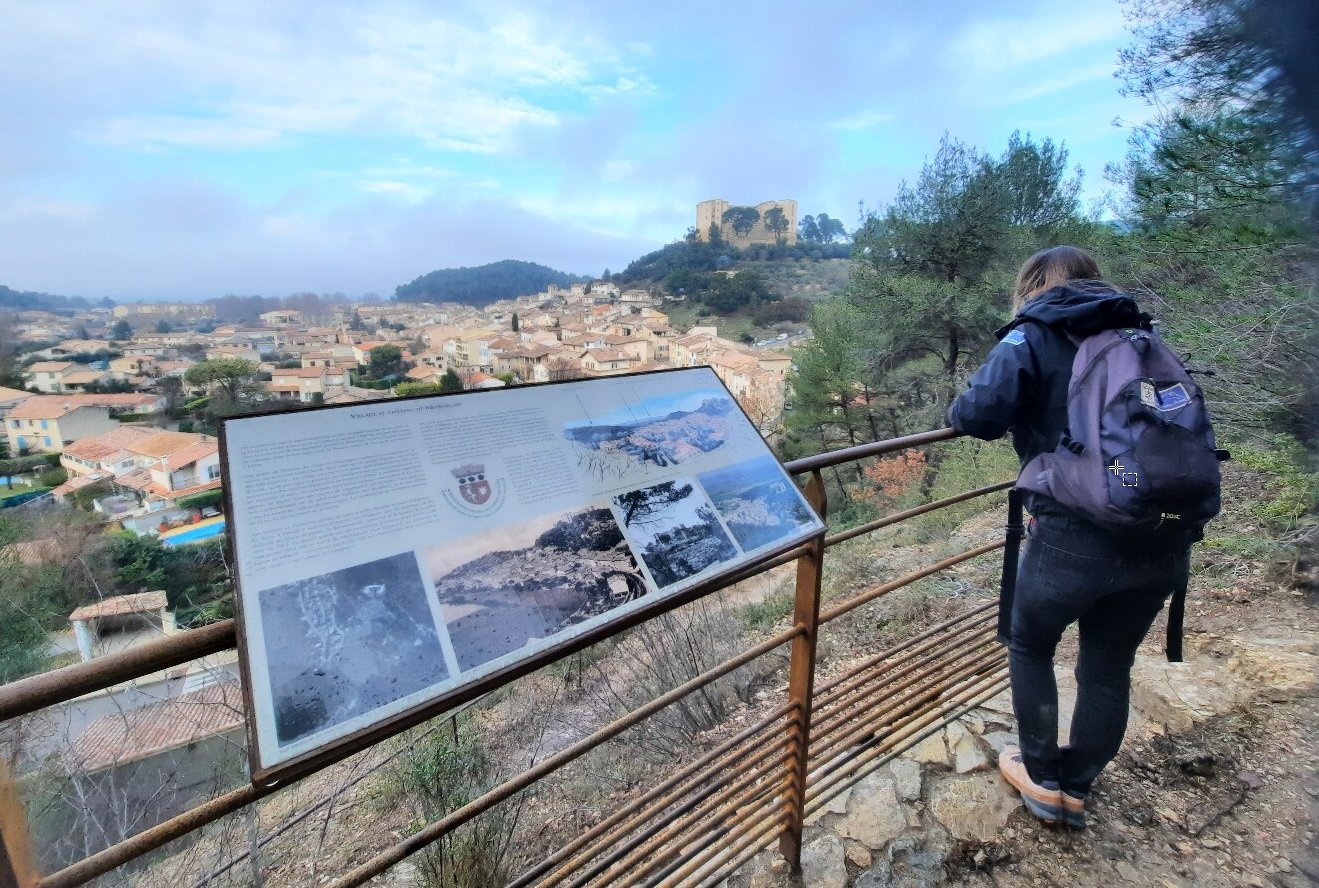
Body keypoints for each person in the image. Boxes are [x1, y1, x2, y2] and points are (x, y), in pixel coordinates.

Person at [947, 246, 1195, 828]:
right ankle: (1078, 783)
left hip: (1072, 534)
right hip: (1160, 532)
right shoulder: (1141, 333)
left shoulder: (1032, 334)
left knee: (1030, 645)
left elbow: (974, 415)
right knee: (1108, 665)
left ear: (1031, 285)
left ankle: (1041, 776)